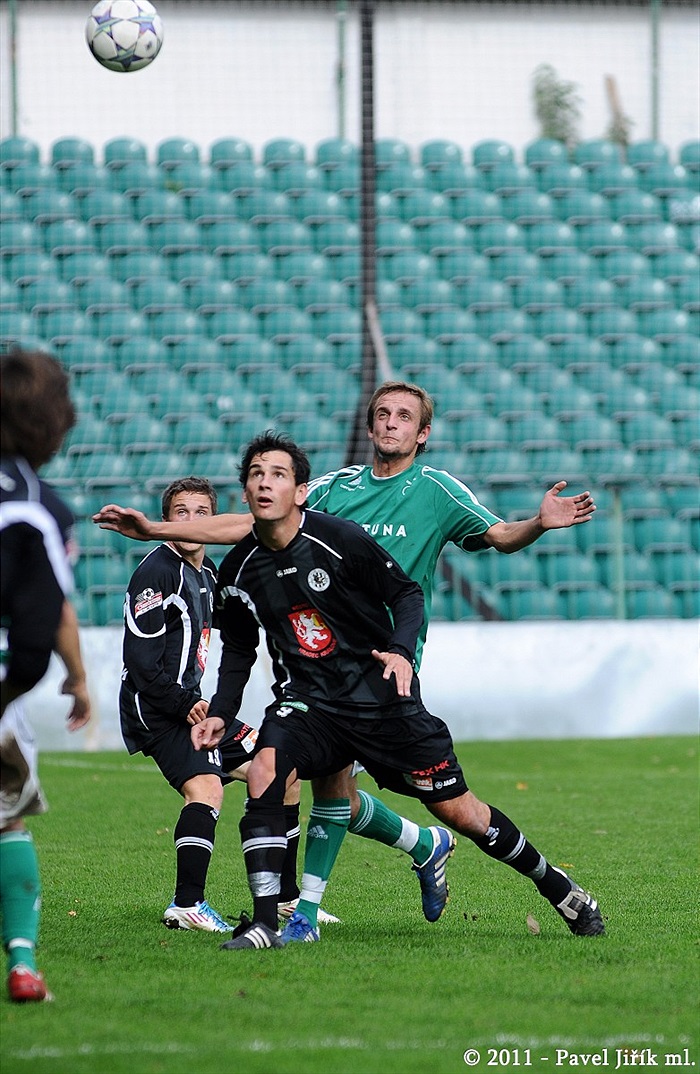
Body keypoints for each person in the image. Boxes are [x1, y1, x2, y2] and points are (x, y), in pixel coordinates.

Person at [94, 382, 600, 936]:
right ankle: (294, 914)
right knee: (303, 777)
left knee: (451, 809)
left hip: (389, 673)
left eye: (404, 416)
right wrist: (156, 530)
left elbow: (498, 536)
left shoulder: (435, 490)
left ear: (421, 433)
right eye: (382, 413)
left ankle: (530, 878)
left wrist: (538, 523)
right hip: (319, 679)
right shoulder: (336, 490)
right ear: (369, 427)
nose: (390, 423)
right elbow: (253, 525)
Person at [121, 476, 318, 932]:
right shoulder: (156, 572)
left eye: (201, 513)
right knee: (206, 789)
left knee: (281, 771)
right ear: (166, 521)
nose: (191, 522)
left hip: (197, 709)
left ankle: (286, 901)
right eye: (181, 513)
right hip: (158, 710)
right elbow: (141, 661)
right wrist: (186, 701)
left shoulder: (210, 575)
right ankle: (187, 903)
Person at [1, 347, 92, 1003]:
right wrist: (75, 679)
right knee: (6, 821)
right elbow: (42, 624)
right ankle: (24, 962)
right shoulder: (40, 509)